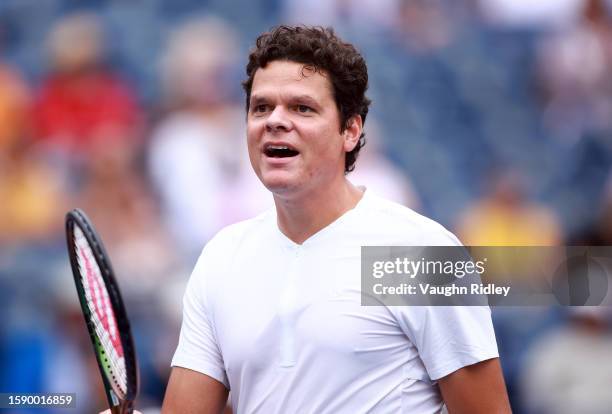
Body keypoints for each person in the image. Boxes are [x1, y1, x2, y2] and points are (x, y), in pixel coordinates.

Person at [110, 25, 511, 413]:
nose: (275, 120)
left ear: (350, 130)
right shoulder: (221, 258)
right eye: (261, 107)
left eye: (302, 108)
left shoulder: (422, 252)